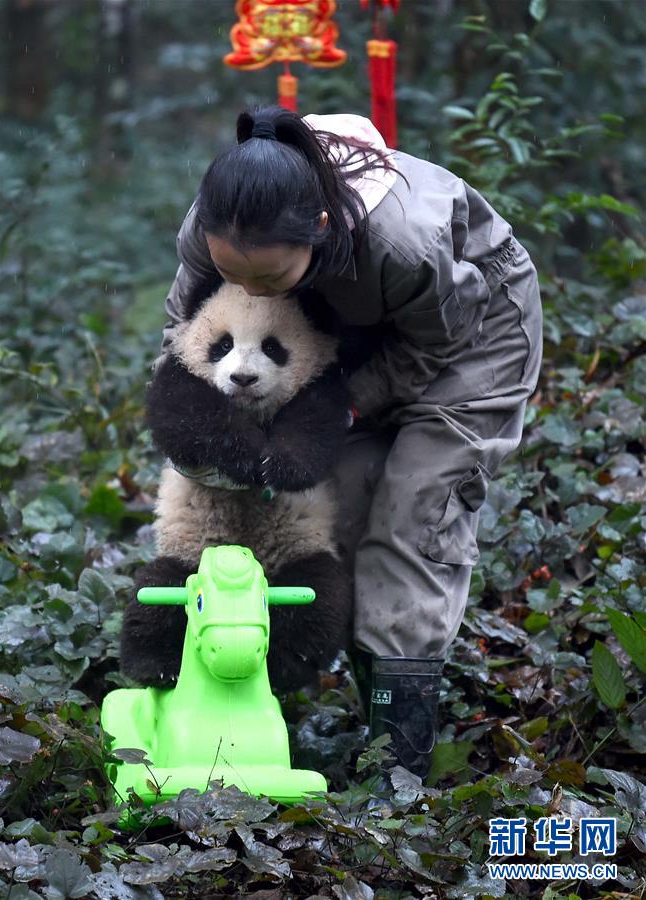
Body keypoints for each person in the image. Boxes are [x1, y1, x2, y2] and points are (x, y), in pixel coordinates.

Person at [158, 106, 543, 778]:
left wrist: (338, 408)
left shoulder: (406, 241)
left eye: (268, 281)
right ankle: (366, 709)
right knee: (351, 504)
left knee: (414, 515)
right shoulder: (216, 225)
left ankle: (399, 768)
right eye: (235, 276)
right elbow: (184, 334)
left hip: (468, 341)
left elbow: (436, 347)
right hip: (348, 339)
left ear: (323, 230)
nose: (248, 292)